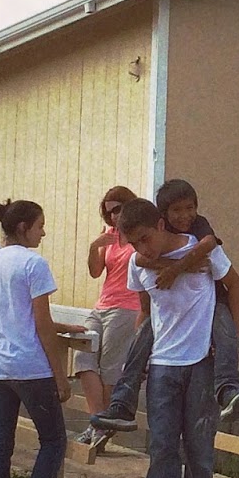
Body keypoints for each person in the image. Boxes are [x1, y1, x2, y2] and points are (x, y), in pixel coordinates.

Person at [113, 195, 236, 478]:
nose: (140, 248)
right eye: (133, 243)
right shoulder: (139, 264)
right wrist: (139, 360)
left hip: (201, 362)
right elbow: (146, 313)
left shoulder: (204, 253)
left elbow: (237, 287)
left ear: (161, 226)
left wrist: (231, 340)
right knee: (162, 450)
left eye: (144, 238)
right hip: (163, 365)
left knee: (199, 451)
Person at [89, 178, 239, 435]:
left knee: (226, 332)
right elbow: (141, 263)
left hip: (214, 303)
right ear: (162, 217)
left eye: (190, 208)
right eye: (176, 210)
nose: (184, 216)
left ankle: (229, 389)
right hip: (165, 341)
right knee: (143, 334)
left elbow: (210, 245)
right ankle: (122, 403)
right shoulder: (146, 245)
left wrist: (178, 269)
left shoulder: (197, 226)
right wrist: (170, 268)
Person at [0, 198, 87, 478]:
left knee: (0, 445)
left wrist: (62, 326)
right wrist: (60, 376)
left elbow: (18, 314)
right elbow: (40, 323)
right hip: (30, 366)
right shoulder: (34, 263)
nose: (44, 232)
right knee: (54, 440)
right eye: (40, 225)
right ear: (24, 227)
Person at [73, 186, 143, 443]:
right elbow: (95, 272)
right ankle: (98, 422)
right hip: (102, 304)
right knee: (83, 358)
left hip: (127, 307)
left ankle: (100, 426)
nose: (113, 216)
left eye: (117, 209)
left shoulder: (139, 236)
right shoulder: (109, 235)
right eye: (108, 211)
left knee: (110, 368)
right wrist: (95, 246)